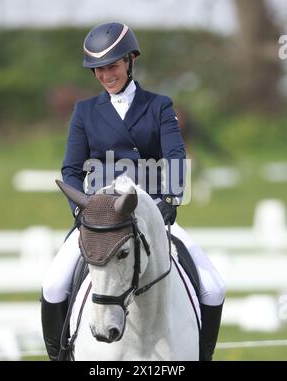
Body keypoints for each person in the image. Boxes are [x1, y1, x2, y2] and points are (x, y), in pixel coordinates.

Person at [41, 22, 225, 361]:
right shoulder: (84, 111)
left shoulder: (159, 106)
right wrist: (82, 210)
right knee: (53, 285)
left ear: (130, 61)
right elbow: (71, 169)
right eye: (98, 69)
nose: (105, 74)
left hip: (151, 214)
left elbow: (174, 157)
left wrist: (169, 198)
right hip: (100, 219)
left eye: (112, 65)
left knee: (214, 288)